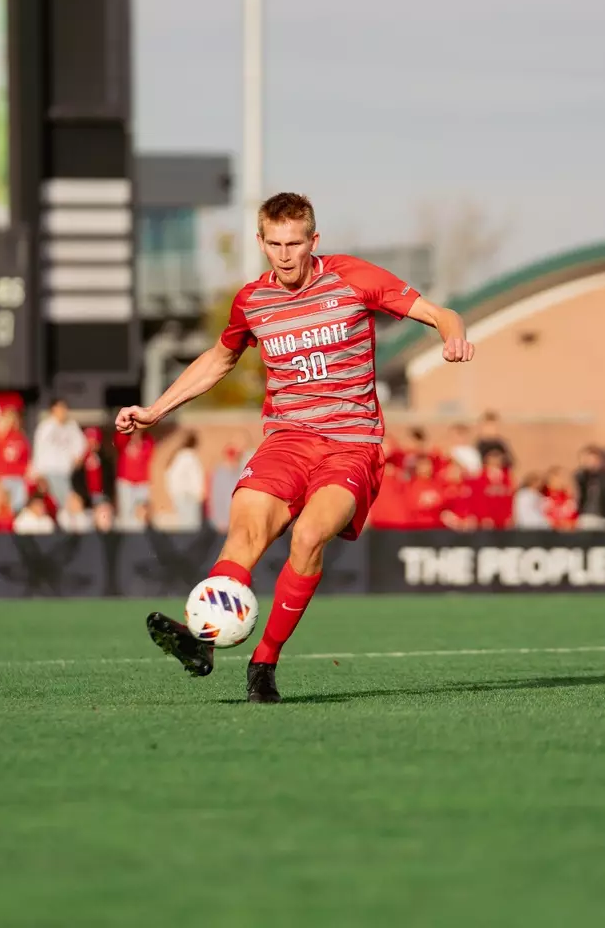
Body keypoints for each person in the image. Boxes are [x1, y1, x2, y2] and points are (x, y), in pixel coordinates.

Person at [117, 192, 472, 703]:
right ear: (260, 242)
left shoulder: (352, 278)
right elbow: (219, 360)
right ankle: (204, 641)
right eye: (275, 244)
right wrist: (156, 410)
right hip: (285, 440)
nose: (285, 255)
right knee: (245, 531)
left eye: (295, 243)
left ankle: (264, 662)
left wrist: (452, 336)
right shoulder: (251, 301)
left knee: (307, 537)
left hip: (351, 446)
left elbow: (441, 313)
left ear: (314, 241)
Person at [29, 399, 85, 508]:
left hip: (65, 472)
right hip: (48, 471)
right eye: (60, 408)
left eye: (64, 408)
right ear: (53, 409)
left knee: (65, 502)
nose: (63, 411)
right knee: (56, 503)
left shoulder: (71, 426)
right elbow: (38, 449)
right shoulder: (45, 426)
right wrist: (37, 472)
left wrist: (78, 456)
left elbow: (80, 444)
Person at [163, 433, 206, 530]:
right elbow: (195, 477)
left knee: (183, 523)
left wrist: (172, 492)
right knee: (191, 525)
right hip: (189, 496)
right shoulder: (190, 457)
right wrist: (199, 493)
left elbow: (169, 474)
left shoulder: (178, 456)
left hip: (178, 494)